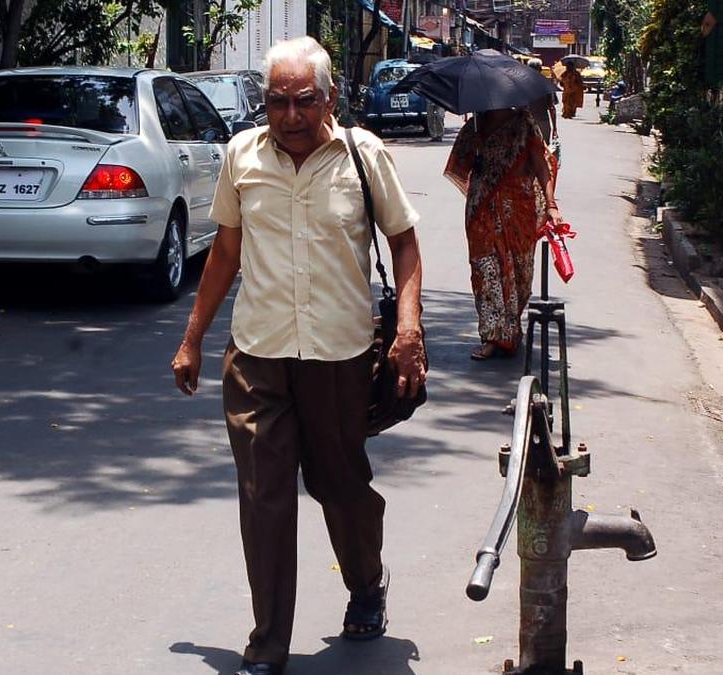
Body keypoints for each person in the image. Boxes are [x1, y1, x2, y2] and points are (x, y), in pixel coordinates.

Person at [170, 36, 427, 675]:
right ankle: (267, 646)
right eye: (277, 102)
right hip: (258, 353)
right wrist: (193, 335)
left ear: (329, 98)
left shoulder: (363, 156)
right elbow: (224, 253)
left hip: (338, 357)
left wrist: (409, 330)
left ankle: (366, 583)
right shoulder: (242, 157)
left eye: (303, 101)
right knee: (264, 497)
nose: (289, 115)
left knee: (340, 488)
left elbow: (405, 244)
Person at [444, 108, 563, 360]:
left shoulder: (524, 124)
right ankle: (492, 335)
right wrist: (475, 150)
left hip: (519, 209)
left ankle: (511, 329)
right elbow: (460, 166)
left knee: (520, 273)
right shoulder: (474, 126)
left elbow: (541, 165)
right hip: (482, 209)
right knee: (485, 270)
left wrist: (551, 205)